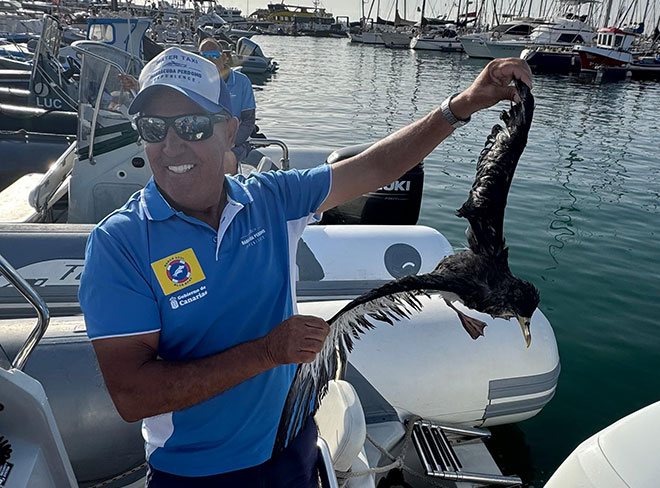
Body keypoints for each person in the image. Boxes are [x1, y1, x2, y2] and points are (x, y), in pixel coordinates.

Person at [78, 47, 531, 487]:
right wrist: (267, 352)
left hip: (293, 447)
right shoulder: (120, 244)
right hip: (195, 473)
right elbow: (133, 395)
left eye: (192, 125)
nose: (171, 144)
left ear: (229, 129)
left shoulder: (271, 200)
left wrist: (462, 105)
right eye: (153, 127)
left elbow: (374, 166)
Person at [198, 38, 256, 168]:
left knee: (224, 161)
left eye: (214, 56)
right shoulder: (196, 84)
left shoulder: (242, 82)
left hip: (235, 143)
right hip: (205, 142)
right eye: (204, 57)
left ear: (224, 58)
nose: (210, 61)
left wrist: (228, 143)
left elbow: (248, 121)